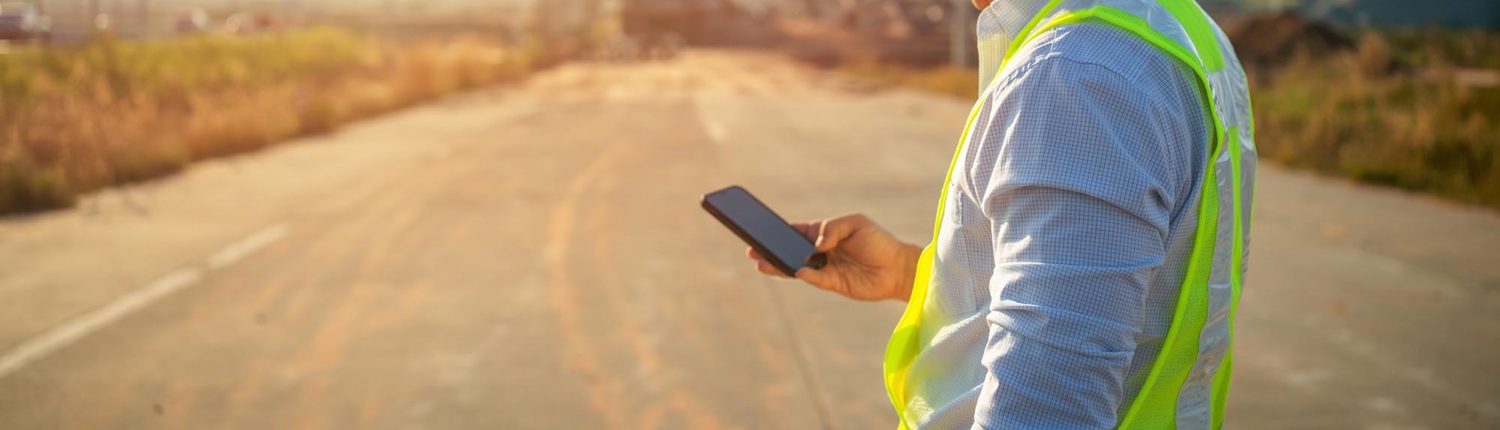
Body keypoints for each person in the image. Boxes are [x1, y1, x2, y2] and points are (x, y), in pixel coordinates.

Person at [747, 0, 1257, 428]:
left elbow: (1048, 409)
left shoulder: (1077, 76)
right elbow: (1129, 292)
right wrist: (907, 271)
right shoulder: (1178, 27)